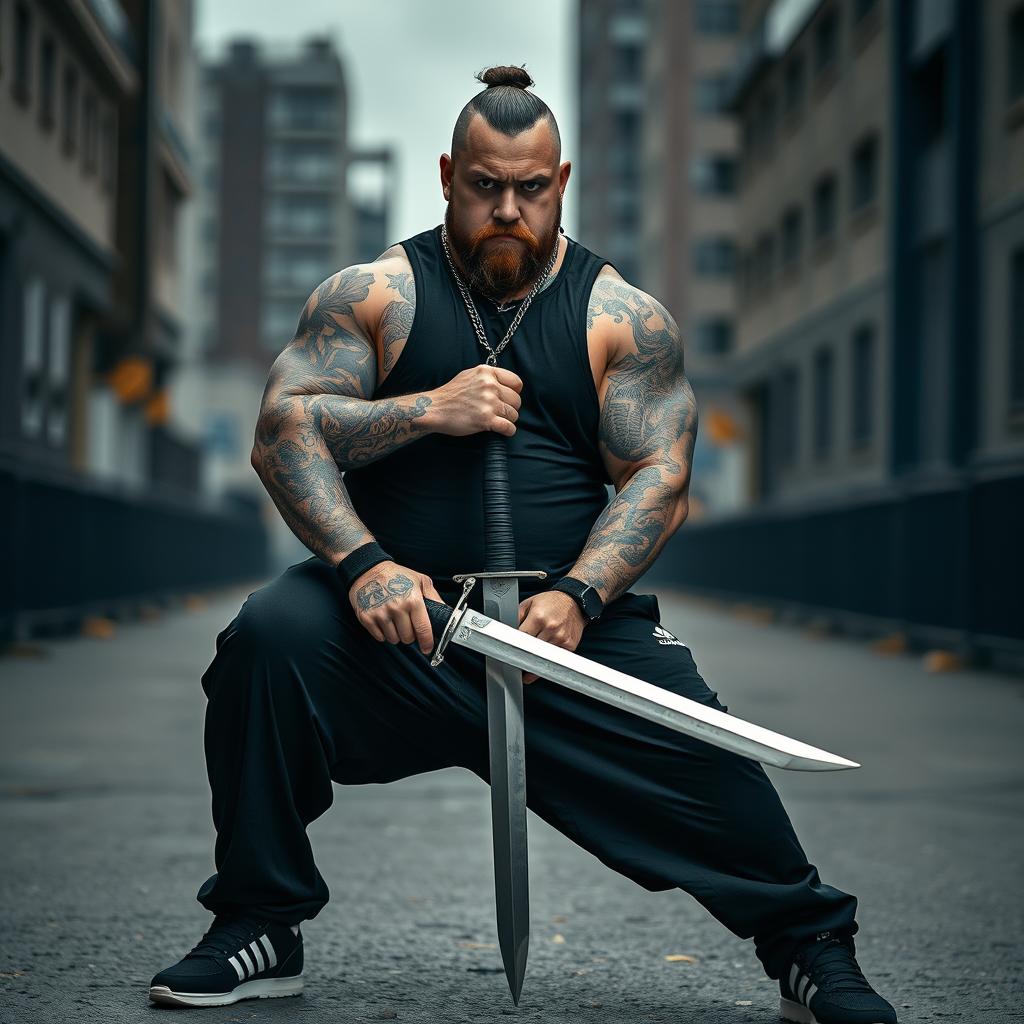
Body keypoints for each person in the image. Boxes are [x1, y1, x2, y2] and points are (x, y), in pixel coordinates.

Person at [149, 65, 898, 1024]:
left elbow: (658, 478)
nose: (508, 210)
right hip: (400, 627)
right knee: (268, 638)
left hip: (562, 634)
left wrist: (581, 595)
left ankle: (810, 947)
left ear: (562, 182)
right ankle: (259, 922)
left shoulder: (619, 318)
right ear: (447, 176)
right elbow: (284, 431)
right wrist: (400, 481)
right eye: (485, 186)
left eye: (531, 188)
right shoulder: (374, 295)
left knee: (704, 754)